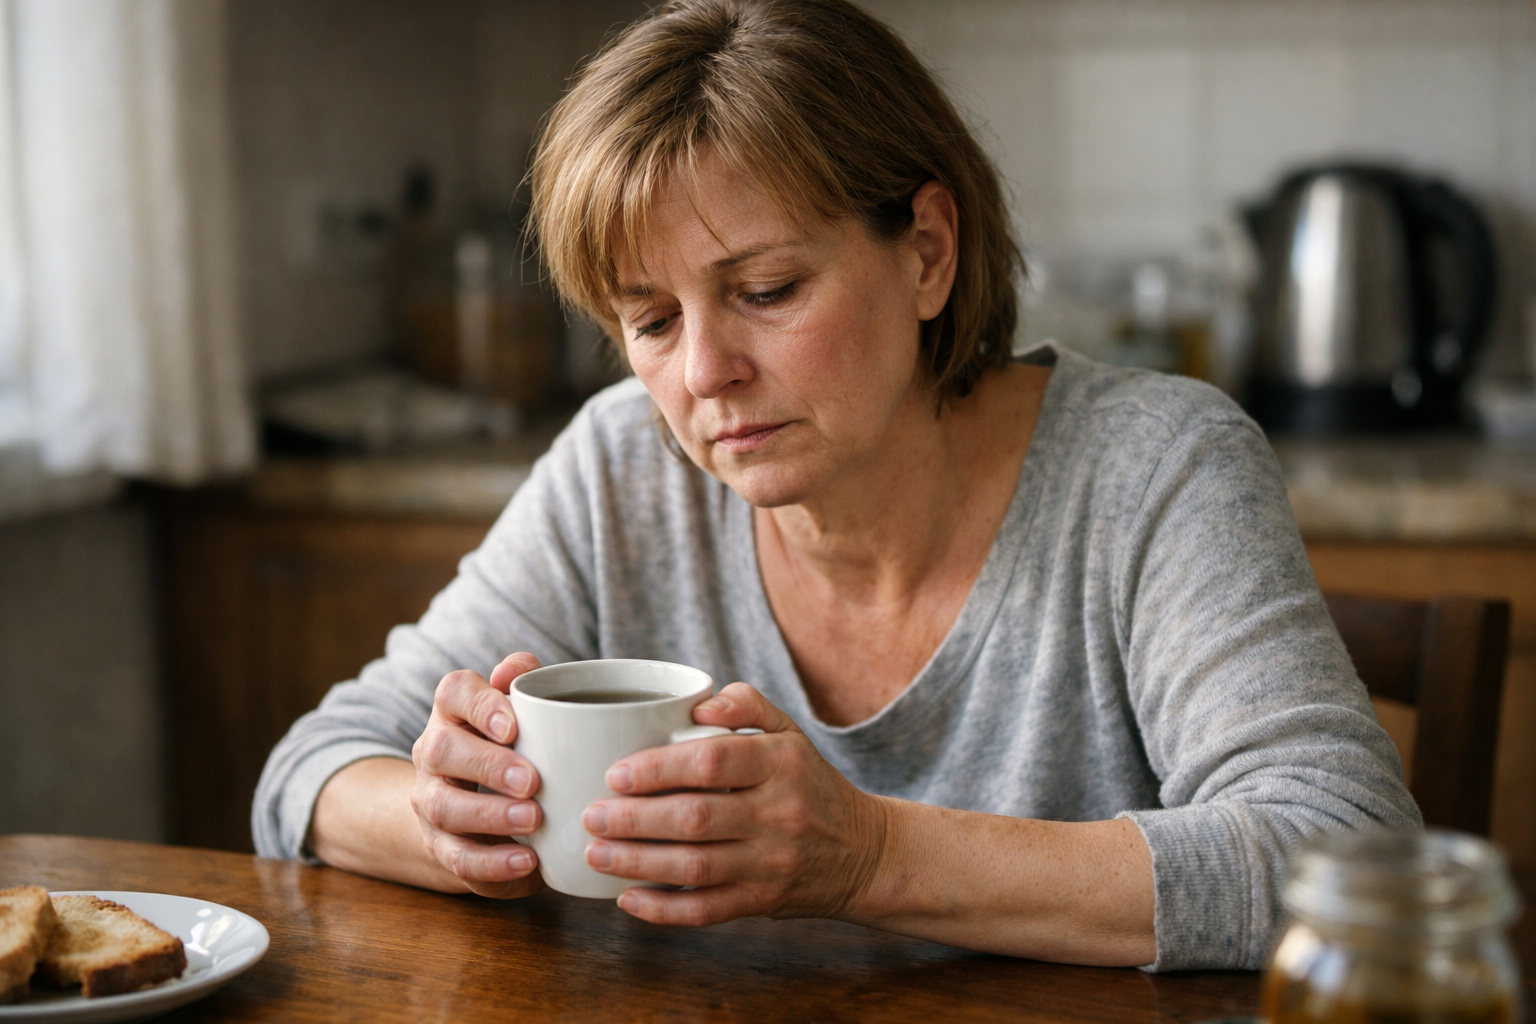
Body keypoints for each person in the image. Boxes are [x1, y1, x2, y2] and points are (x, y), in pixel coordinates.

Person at [253, 0, 1419, 972]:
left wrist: (866, 857)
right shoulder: (620, 466)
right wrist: (455, 816)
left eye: (765, 289)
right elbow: (307, 774)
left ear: (927, 252)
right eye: (649, 319)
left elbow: (1349, 858)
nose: (703, 371)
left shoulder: (1156, 468)